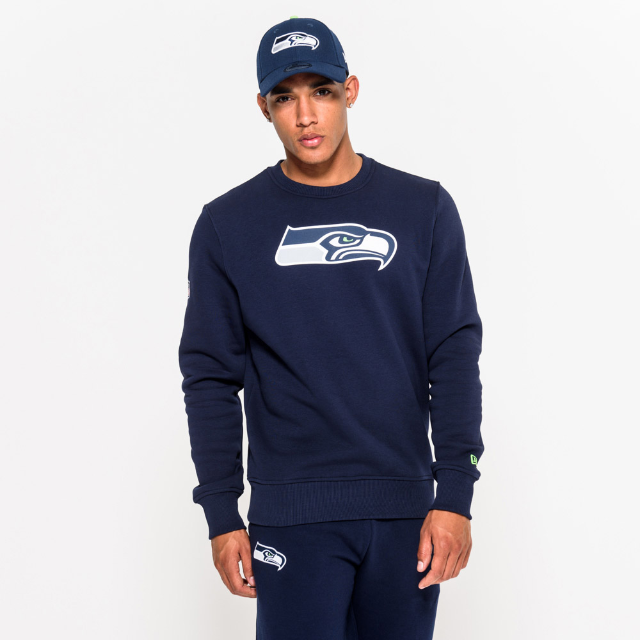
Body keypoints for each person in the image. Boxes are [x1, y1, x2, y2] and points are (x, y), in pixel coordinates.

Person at [178, 15, 484, 640]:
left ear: (351, 91)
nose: (305, 115)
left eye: (321, 90)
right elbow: (209, 376)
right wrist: (221, 513)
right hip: (291, 517)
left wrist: (454, 495)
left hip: (404, 513)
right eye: (284, 97)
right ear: (263, 108)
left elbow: (454, 355)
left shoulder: (423, 209)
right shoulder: (228, 225)